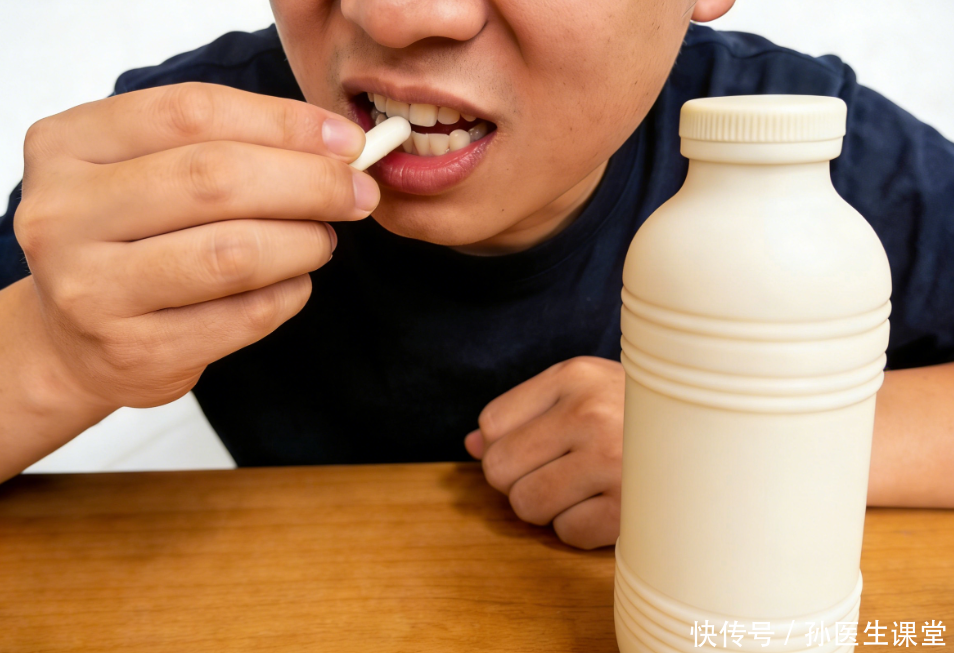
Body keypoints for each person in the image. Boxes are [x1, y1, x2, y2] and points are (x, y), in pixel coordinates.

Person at [1, 0, 952, 548]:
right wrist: (53, 350)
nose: (397, 12)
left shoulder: (801, 146)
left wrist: (751, 445)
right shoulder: (186, 159)